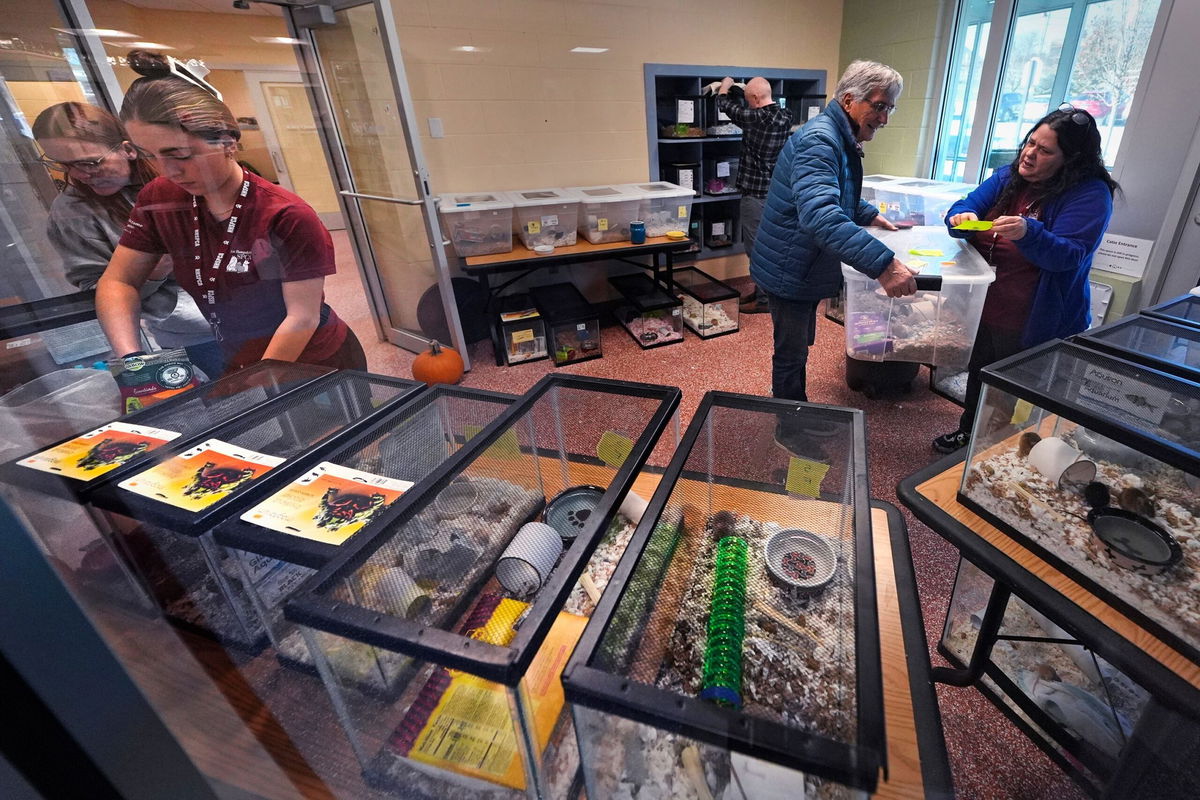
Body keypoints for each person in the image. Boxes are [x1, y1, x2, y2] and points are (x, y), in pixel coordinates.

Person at [96, 51, 366, 376]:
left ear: (228, 142)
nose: (167, 171)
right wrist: (132, 361)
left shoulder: (285, 214)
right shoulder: (160, 197)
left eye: (179, 154)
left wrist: (254, 382)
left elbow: (302, 317)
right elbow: (119, 281)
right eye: (147, 155)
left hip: (311, 358)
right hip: (238, 353)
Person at [932, 105, 1119, 454]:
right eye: (1030, 143)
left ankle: (993, 454)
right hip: (988, 306)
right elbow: (964, 205)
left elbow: (1068, 255)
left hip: (1036, 317)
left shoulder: (1091, 194)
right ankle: (970, 435)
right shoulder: (1008, 176)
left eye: (1045, 150)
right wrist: (961, 216)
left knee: (1015, 392)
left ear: (1071, 159)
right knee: (981, 374)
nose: (1029, 154)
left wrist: (1028, 232)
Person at [750, 60, 917, 450]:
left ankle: (798, 412)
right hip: (790, 265)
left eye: (890, 108)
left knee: (797, 345)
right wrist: (884, 264)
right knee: (790, 351)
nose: (885, 118)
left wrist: (868, 213)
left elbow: (832, 194)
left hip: (799, 262)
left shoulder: (837, 136)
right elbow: (821, 216)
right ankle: (788, 429)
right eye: (880, 106)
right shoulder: (820, 140)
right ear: (848, 100)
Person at [33, 102, 223, 380]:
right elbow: (102, 292)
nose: (79, 175)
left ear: (128, 149)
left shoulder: (178, 175)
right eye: (64, 165)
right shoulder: (72, 212)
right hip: (191, 334)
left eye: (91, 162)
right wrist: (155, 268)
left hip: (253, 314)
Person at [706, 76, 793, 314]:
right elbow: (752, 111)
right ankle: (762, 292)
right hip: (775, 195)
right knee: (769, 246)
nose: (748, 104)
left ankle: (764, 300)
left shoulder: (755, 119)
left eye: (748, 100)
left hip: (755, 196)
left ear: (755, 98)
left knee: (755, 249)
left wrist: (725, 86)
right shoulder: (786, 117)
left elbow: (726, 106)